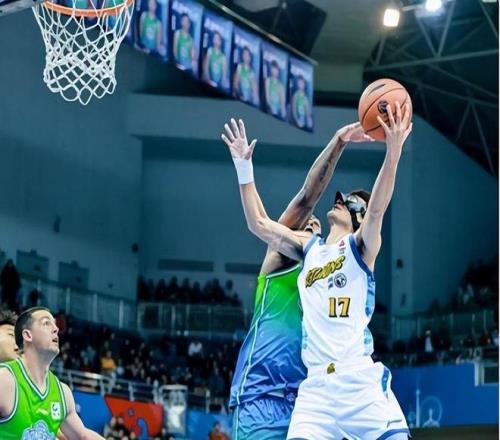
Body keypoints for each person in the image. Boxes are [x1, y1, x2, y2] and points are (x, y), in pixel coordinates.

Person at [224, 102, 412, 439]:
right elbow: (267, 219)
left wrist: (393, 150)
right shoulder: (298, 254)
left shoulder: (357, 247)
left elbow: (377, 210)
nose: (309, 223)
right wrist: (244, 167)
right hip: (292, 392)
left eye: (350, 202)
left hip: (348, 382)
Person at [0, 306, 105, 439]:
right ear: (27, 335)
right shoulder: (5, 380)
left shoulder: (62, 393)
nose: (56, 329)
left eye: (55, 324)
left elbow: (83, 435)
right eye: (46, 323)